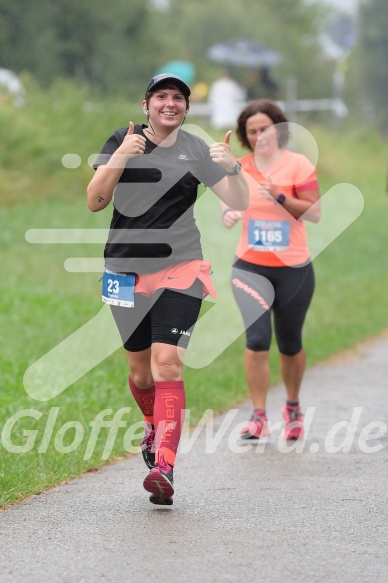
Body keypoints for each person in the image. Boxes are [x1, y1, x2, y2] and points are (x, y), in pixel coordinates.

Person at [86, 73, 249, 505]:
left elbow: (238, 201)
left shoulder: (195, 147)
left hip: (182, 268)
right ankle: (151, 422)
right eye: (161, 96)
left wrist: (234, 169)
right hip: (124, 271)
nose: (170, 103)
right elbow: (95, 200)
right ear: (146, 105)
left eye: (178, 97)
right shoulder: (122, 138)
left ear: (187, 108)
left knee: (168, 364)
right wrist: (121, 154)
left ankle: (165, 464)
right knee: (141, 373)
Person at [220, 99, 321, 441]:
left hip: (294, 269)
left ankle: (292, 407)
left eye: (266, 128)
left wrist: (280, 196)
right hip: (250, 268)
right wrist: (228, 214)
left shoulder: (298, 165)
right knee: (258, 339)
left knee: (290, 343)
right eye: (253, 131)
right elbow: (228, 201)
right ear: (246, 137)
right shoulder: (239, 166)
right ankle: (258, 414)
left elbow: (314, 213)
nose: (260, 135)